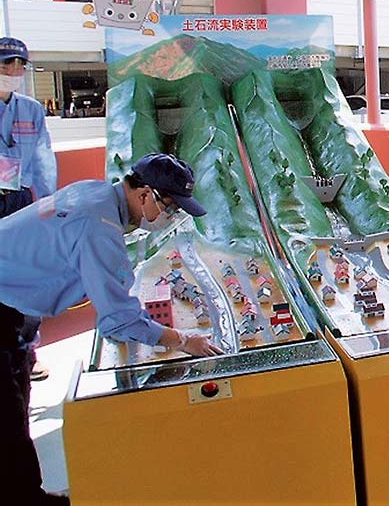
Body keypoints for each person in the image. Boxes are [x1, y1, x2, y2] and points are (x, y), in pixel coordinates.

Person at [0, 152, 224, 506]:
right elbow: (118, 320)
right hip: (3, 305)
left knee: (17, 402)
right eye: (170, 207)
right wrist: (183, 341)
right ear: (145, 194)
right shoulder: (99, 226)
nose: (172, 216)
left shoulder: (96, 194)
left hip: (14, 306)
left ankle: (27, 492)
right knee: (6, 420)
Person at [0, 37, 57, 382]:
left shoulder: (31, 110)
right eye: (7, 64)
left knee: (28, 275)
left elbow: (43, 158)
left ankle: (28, 352)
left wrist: (50, 202)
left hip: (20, 201)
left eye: (20, 65)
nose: (14, 71)